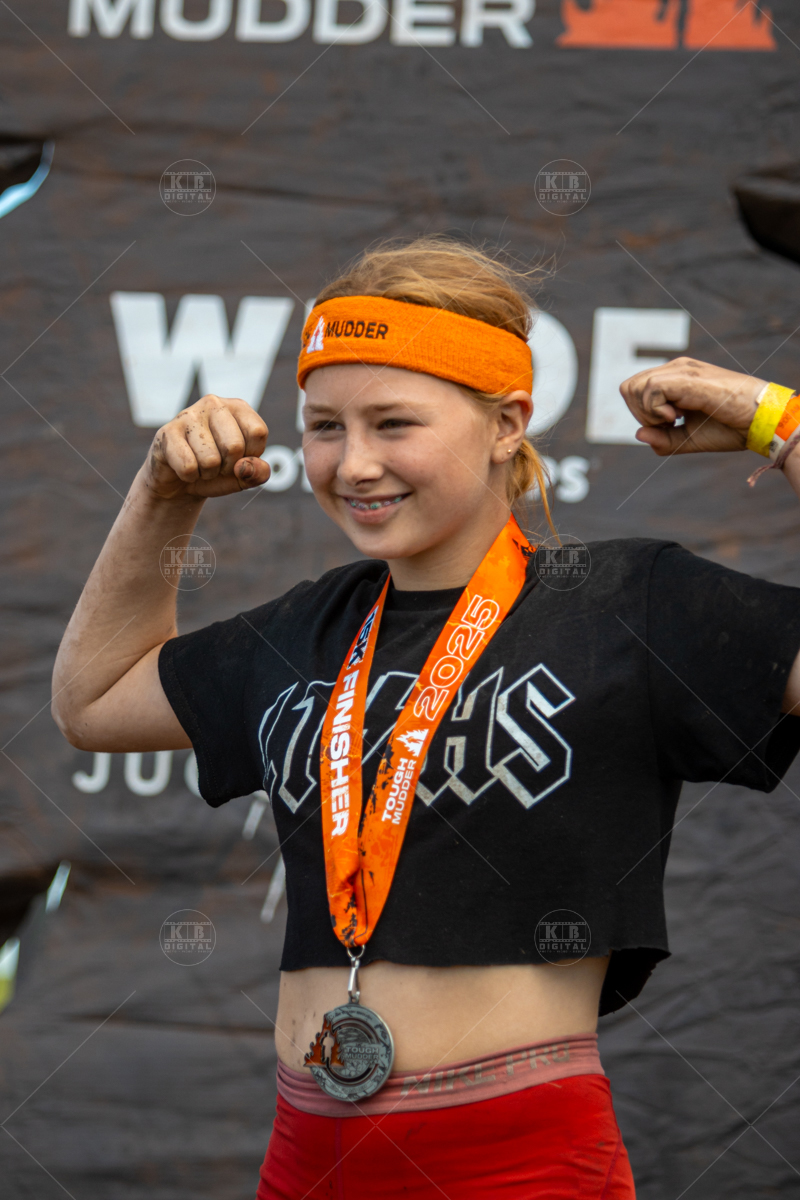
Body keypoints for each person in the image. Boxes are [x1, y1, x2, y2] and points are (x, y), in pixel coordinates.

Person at [52, 237, 800, 1200]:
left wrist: (777, 423)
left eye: (393, 422)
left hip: (519, 1161)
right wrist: (162, 496)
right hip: (306, 1155)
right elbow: (94, 699)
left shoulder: (632, 601)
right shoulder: (307, 625)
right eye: (324, 426)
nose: (354, 464)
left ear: (507, 423)